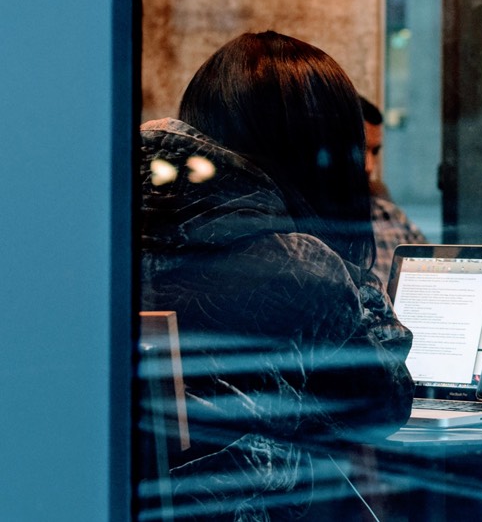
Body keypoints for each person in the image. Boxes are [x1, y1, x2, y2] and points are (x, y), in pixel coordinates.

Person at [140, 31, 414, 520]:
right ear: (321, 153)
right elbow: (382, 406)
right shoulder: (298, 268)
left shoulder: (114, 229)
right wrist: (344, 260)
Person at [359, 96, 427, 283]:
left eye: (375, 151)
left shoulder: (388, 213)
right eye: (361, 149)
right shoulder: (312, 226)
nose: (369, 166)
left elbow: (436, 268)